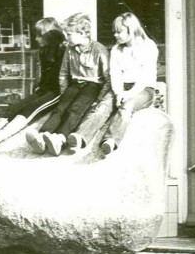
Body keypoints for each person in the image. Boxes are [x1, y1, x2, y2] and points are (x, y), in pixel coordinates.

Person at [0, 17, 66, 147]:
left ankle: (2, 135)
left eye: (39, 36)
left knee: (32, 108)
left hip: (57, 92)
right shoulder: (44, 51)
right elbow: (45, 75)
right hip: (45, 89)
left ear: (49, 36)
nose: (36, 39)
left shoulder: (64, 50)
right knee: (14, 108)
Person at [68, 12, 159, 155]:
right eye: (114, 32)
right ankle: (81, 137)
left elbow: (145, 76)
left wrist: (128, 95)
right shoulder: (117, 49)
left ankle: (110, 140)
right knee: (103, 106)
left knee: (126, 108)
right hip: (121, 87)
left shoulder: (148, 46)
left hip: (143, 89)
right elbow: (115, 74)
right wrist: (118, 93)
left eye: (119, 32)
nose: (115, 35)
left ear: (131, 29)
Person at [25, 12, 109, 156]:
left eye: (69, 34)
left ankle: (60, 138)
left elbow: (108, 77)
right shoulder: (70, 50)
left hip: (92, 86)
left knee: (75, 110)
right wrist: (65, 92)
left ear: (82, 33)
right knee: (61, 108)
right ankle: (43, 136)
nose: (66, 37)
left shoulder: (99, 49)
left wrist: (100, 98)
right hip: (75, 84)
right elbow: (63, 72)